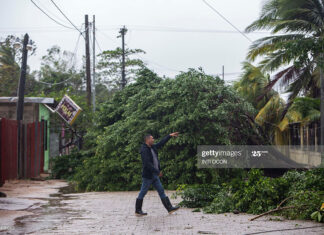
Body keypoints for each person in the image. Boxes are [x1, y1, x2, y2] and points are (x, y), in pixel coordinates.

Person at [135, 132, 180, 216]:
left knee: (161, 191)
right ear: (148, 140)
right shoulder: (144, 150)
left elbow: (161, 143)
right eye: (152, 138)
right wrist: (157, 172)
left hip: (155, 175)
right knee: (143, 192)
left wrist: (169, 136)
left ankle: (169, 208)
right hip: (148, 176)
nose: (153, 139)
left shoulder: (152, 147)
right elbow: (147, 164)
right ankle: (137, 210)